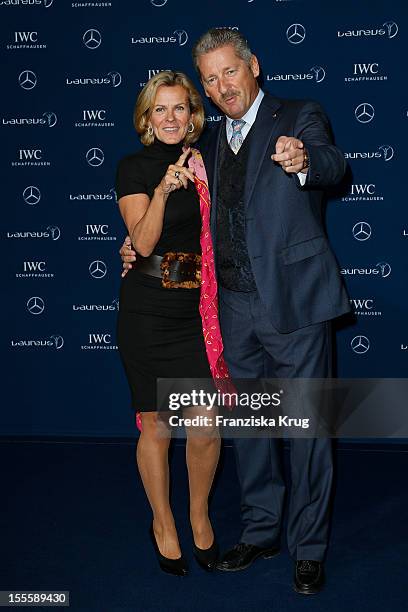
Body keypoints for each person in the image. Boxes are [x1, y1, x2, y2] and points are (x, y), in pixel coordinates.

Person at [120, 29, 350, 594]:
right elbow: (181, 224)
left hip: (294, 304)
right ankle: (262, 528)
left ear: (254, 66)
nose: (223, 86)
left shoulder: (299, 114)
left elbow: (331, 162)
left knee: (305, 430)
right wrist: (133, 247)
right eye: (211, 78)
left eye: (230, 72)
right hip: (230, 308)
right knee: (249, 429)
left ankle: (309, 546)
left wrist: (303, 160)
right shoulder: (204, 147)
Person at [115, 70, 227, 576]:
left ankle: (198, 515)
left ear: (192, 114)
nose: (170, 118)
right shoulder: (134, 168)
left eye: (179, 108)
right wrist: (162, 189)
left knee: (206, 423)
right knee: (156, 425)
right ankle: (163, 522)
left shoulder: (211, 163)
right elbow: (141, 245)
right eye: (159, 109)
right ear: (146, 117)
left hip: (196, 310)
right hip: (147, 310)